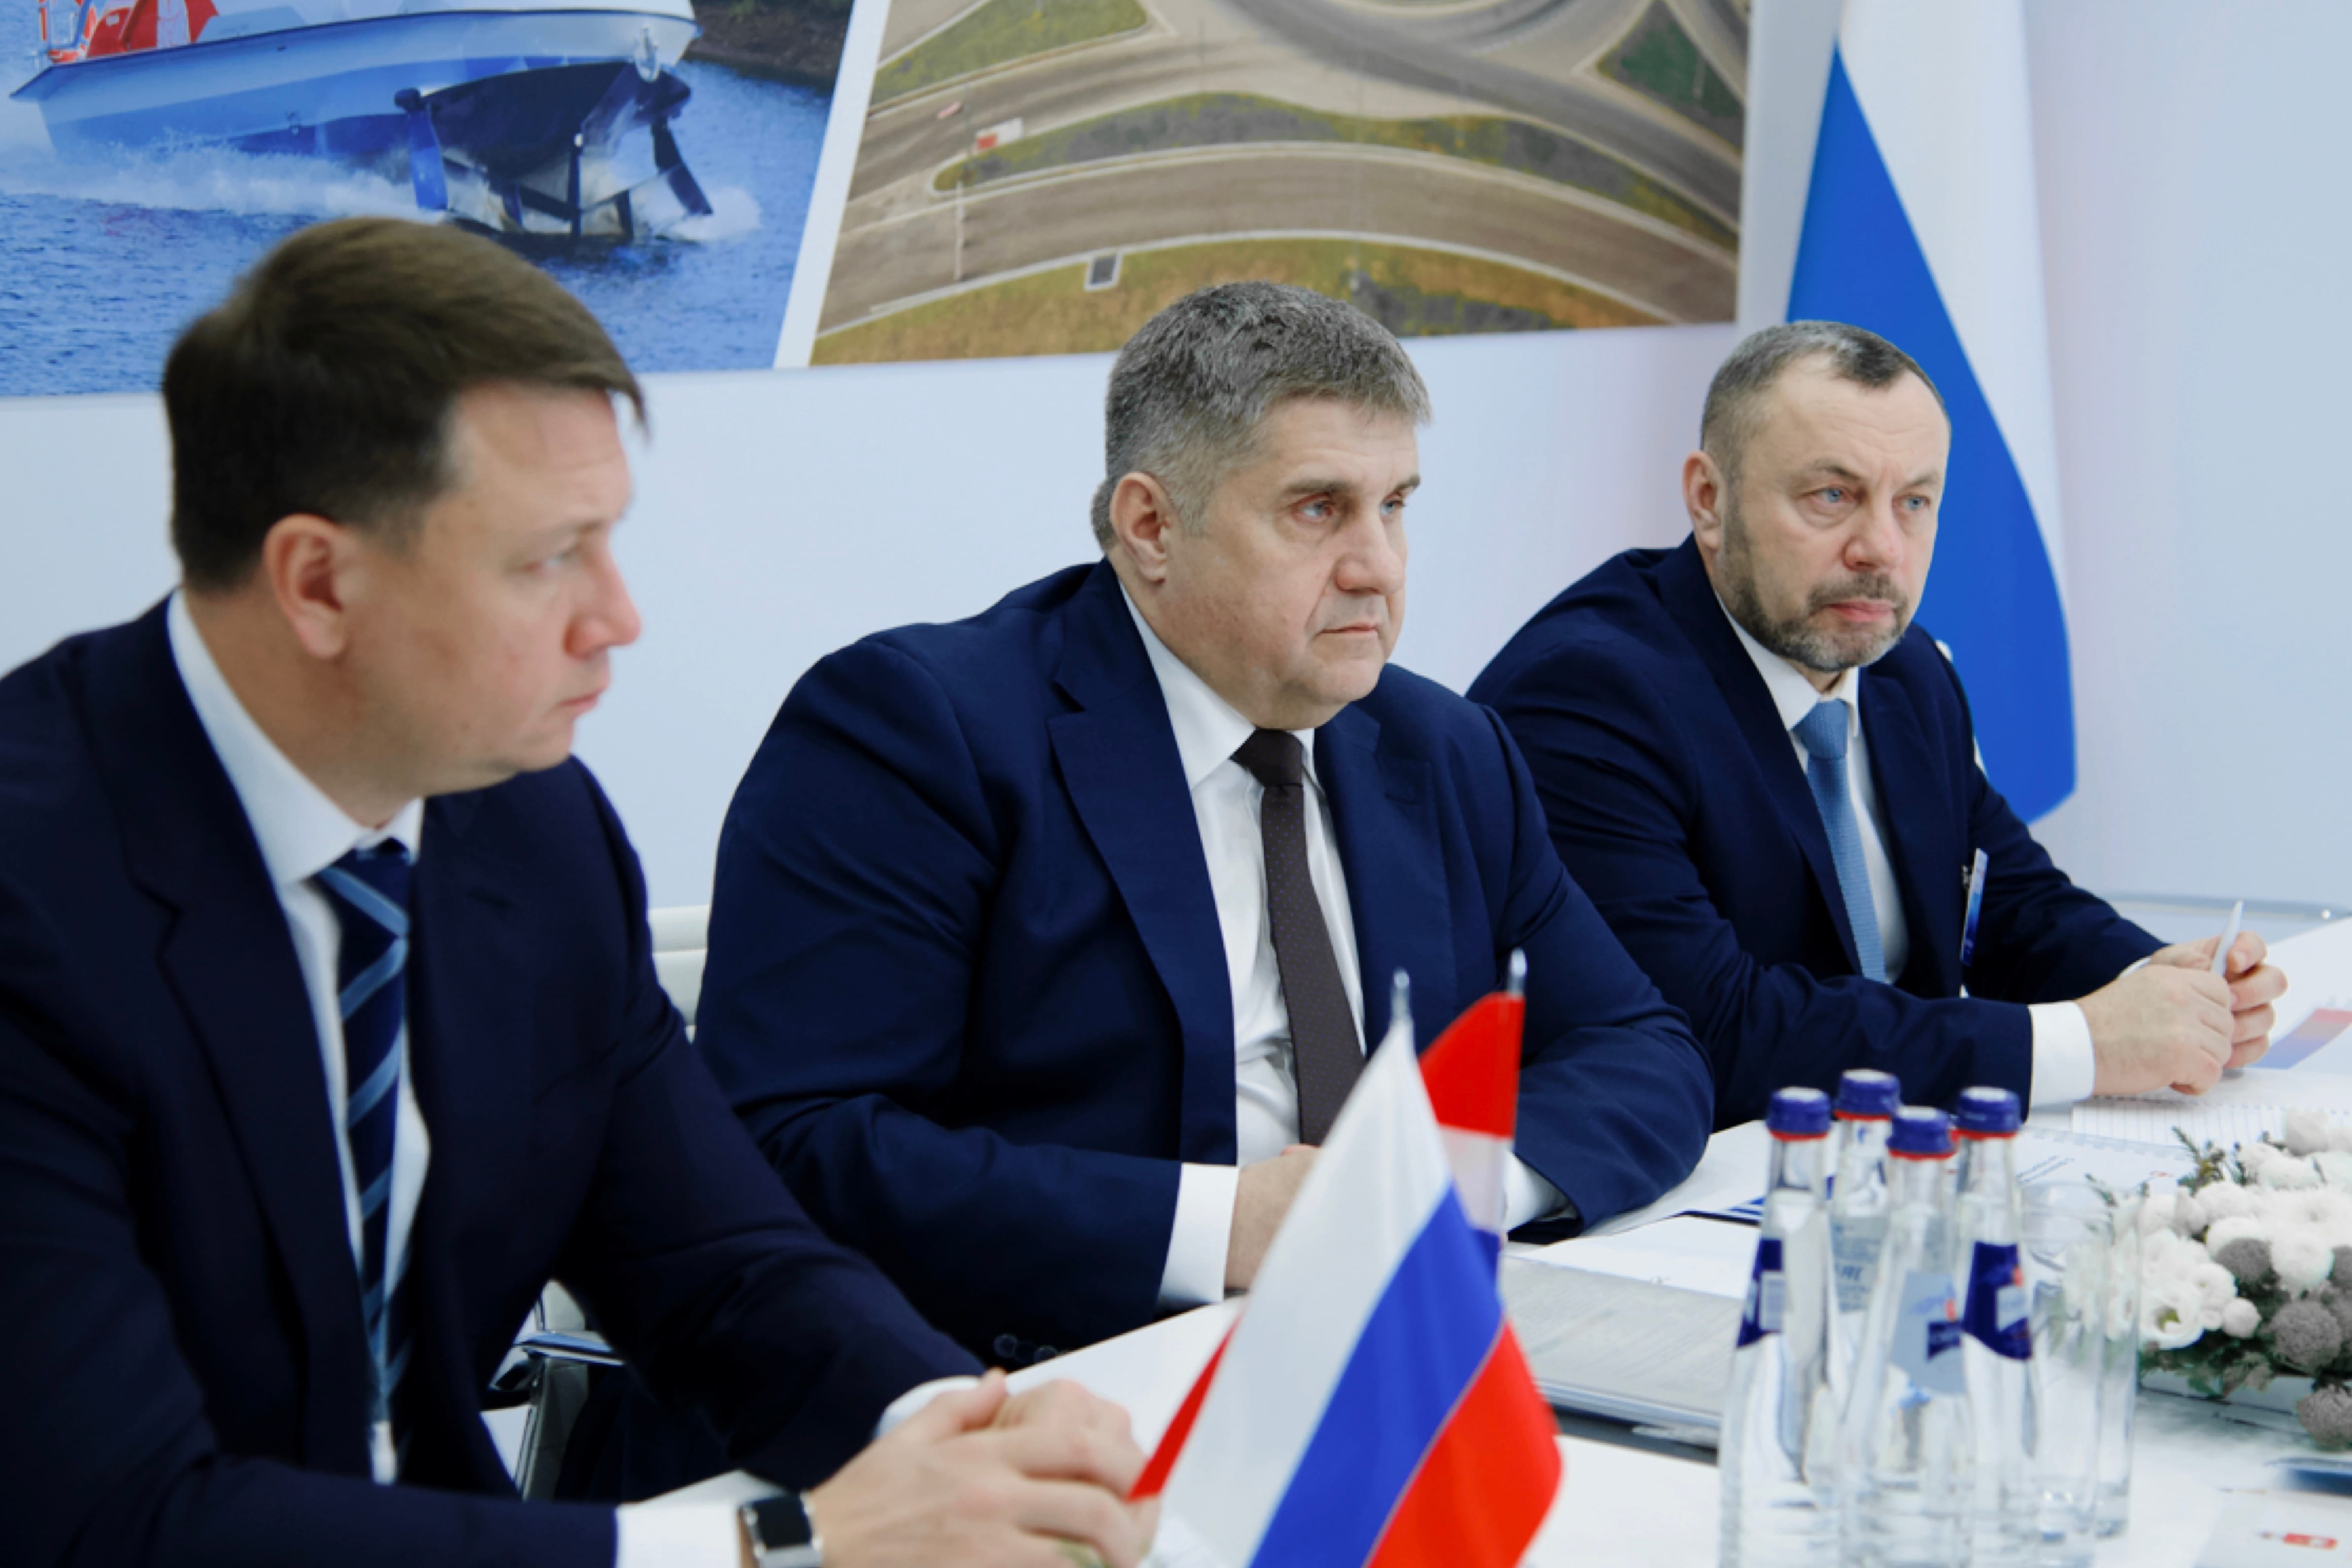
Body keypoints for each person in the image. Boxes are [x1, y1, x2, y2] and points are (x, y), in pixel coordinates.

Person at [0, 217, 1155, 1568]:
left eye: (608, 542)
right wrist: (785, 1548)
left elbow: (722, 1264)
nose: (617, 617)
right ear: (318, 581)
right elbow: (120, 1519)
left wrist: (958, 1430)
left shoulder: (530, 822)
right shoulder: (32, 900)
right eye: (548, 557)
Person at [694, 282, 1714, 1367]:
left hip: (1380, 1358)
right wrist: (1229, 1228)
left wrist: (1445, 1189)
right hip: (1030, 1377)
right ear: (1151, 526)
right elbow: (797, 1144)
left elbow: (1642, 1049)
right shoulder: (920, 731)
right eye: (1317, 509)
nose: (1378, 565)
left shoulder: (1447, 748)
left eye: (1395, 505)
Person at [1468, 321, 2285, 1126]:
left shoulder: (1905, 667)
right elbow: (1711, 1030)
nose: (1882, 549)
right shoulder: (1586, 696)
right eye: (1833, 496)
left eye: (1914, 502)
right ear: (1709, 500)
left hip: (1896, 1161)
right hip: (1690, 1184)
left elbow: (2011, 903)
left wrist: (2167, 985)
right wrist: (2088, 1043)